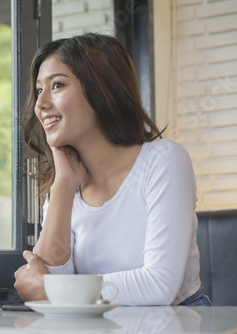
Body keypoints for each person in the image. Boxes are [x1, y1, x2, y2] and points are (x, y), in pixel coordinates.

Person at [13, 33, 211, 306]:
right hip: (97, 324)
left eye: (57, 85)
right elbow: (49, 275)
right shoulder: (66, 181)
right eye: (38, 90)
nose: (41, 104)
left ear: (102, 89)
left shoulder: (164, 160)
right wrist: (64, 186)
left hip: (173, 322)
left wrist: (54, 290)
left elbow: (159, 285)